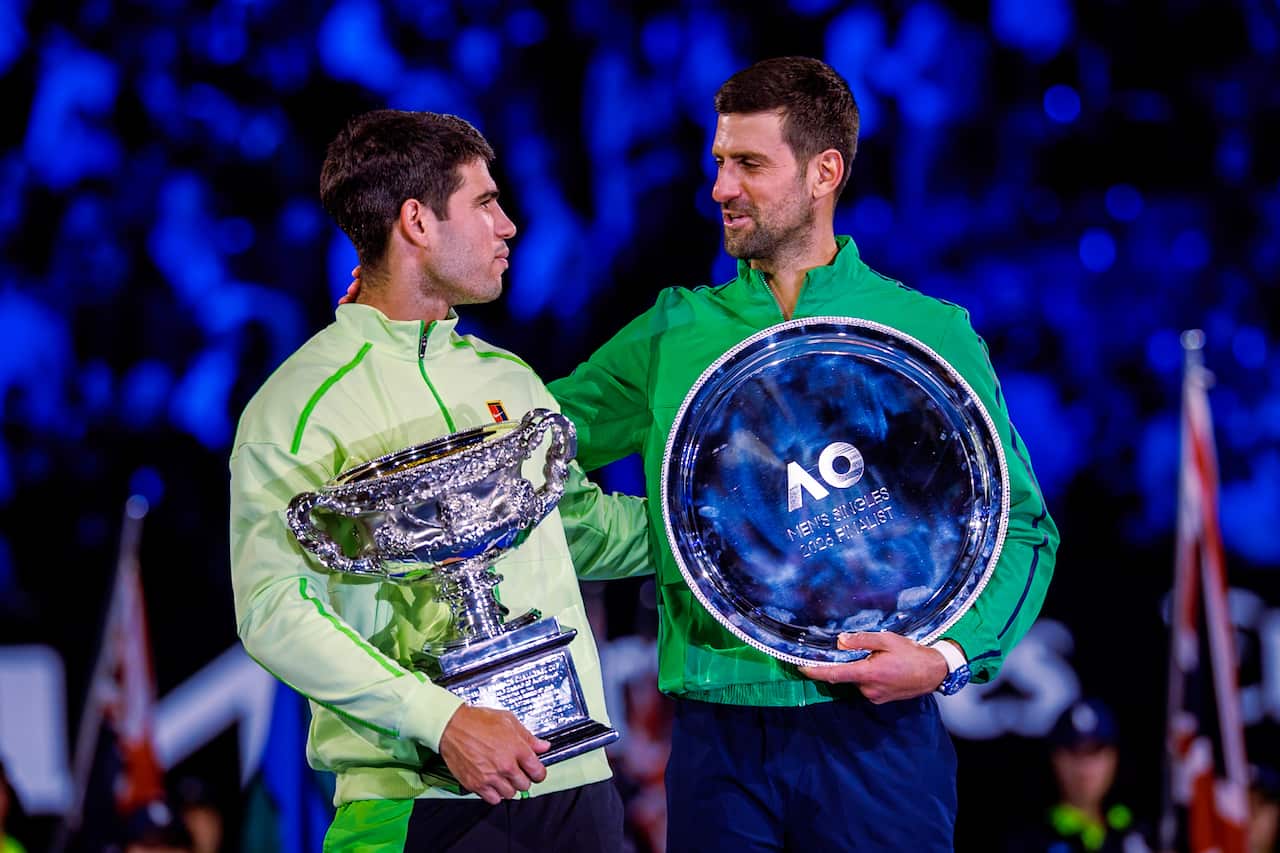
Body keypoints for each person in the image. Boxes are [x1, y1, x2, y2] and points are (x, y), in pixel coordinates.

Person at [339, 56, 1058, 851]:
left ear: (825, 172)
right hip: (719, 738)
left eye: (749, 163)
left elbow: (1022, 530)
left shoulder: (929, 332)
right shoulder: (675, 333)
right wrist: (398, 329)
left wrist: (948, 657)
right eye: (719, 162)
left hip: (878, 731)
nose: (721, 187)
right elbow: (521, 442)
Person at [230, 109, 650, 851]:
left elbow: (576, 529)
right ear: (417, 222)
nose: (510, 225)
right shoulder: (295, 407)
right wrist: (442, 719)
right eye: (485, 202)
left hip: (574, 784)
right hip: (414, 796)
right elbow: (272, 610)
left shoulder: (508, 377)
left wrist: (717, 521)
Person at [1006, 698, 1151, 853]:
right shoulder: (1029, 841)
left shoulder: (1139, 833)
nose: (1085, 768)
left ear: (1113, 758)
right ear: (1056, 759)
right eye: (1074, 753)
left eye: (1095, 752)